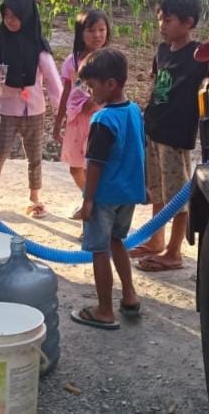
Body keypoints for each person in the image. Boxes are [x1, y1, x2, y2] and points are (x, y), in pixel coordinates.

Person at [133, 0, 209, 272]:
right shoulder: (163, 50)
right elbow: (156, 86)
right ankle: (156, 240)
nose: (162, 26)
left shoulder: (198, 55)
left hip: (176, 136)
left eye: (168, 21)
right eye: (160, 20)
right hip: (154, 129)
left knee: (177, 196)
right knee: (158, 191)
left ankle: (174, 252)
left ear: (188, 23)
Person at [71, 48, 144, 330]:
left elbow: (95, 164)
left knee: (100, 250)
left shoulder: (103, 120)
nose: (90, 93)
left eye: (92, 86)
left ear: (111, 84)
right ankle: (129, 296)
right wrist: (144, 186)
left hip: (104, 196)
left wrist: (88, 200)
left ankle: (104, 310)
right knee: (117, 242)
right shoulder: (134, 111)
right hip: (128, 194)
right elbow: (140, 150)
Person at [0, 0, 63, 218]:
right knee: (0, 152)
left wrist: (63, 113)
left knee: (34, 156)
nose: (9, 20)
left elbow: (55, 85)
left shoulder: (40, 51)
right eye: (6, 15)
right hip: (7, 108)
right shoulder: (2, 39)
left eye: (14, 16)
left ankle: (34, 198)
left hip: (34, 110)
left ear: (26, 17)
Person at [54, 8, 111, 193]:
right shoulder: (72, 62)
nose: (97, 35)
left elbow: (116, 90)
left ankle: (97, 202)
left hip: (101, 121)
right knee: (76, 168)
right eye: (91, 30)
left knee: (96, 166)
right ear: (81, 33)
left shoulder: (110, 61)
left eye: (101, 30)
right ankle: (90, 199)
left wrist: (94, 103)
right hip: (77, 121)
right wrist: (58, 122)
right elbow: (67, 92)